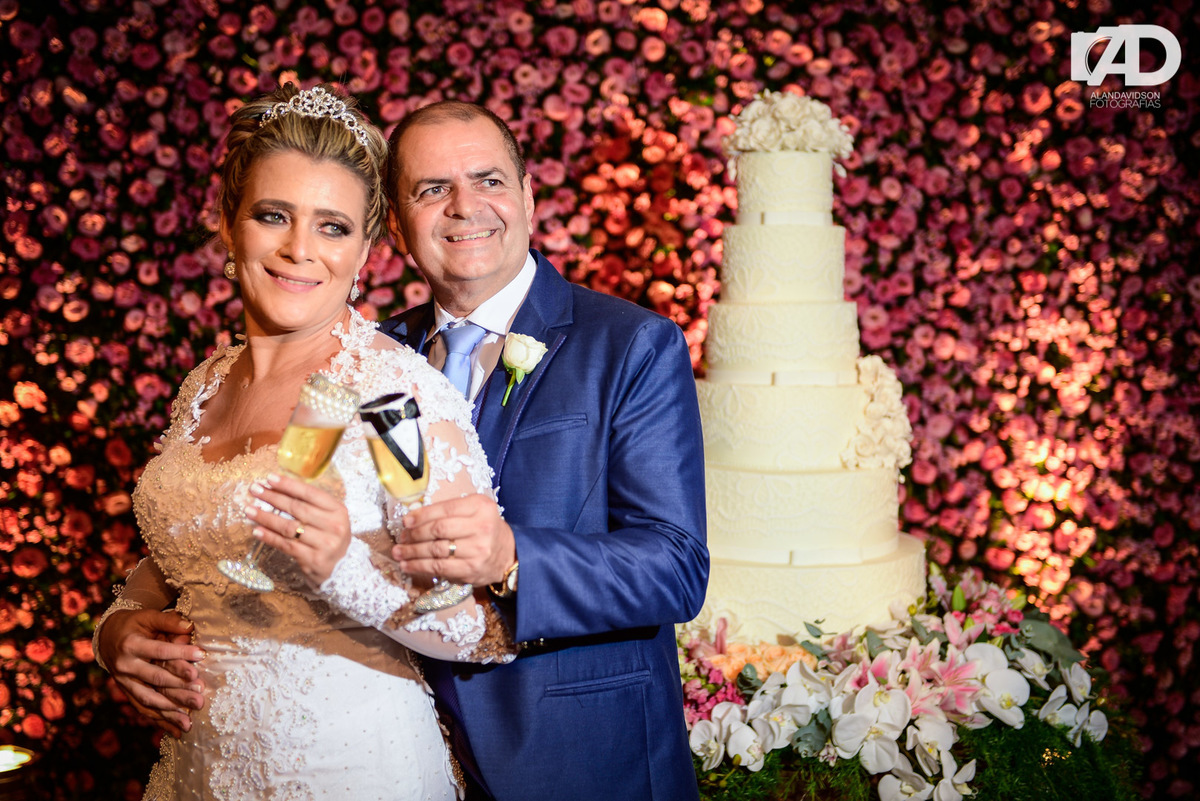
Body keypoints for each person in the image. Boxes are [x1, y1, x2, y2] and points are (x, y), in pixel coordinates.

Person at [91, 83, 516, 800]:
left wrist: (342, 567)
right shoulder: (206, 386)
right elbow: (187, 547)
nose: (298, 249)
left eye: (332, 227)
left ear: (366, 251)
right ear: (229, 225)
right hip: (201, 769)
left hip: (351, 769)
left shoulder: (388, 396)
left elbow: (482, 630)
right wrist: (116, 631)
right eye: (273, 215)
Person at [379, 101, 708, 801]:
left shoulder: (632, 345)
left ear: (528, 197)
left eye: (489, 180)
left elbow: (675, 567)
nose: (465, 206)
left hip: (579, 762)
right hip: (398, 751)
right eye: (432, 189)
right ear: (397, 223)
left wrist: (512, 558)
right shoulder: (369, 357)